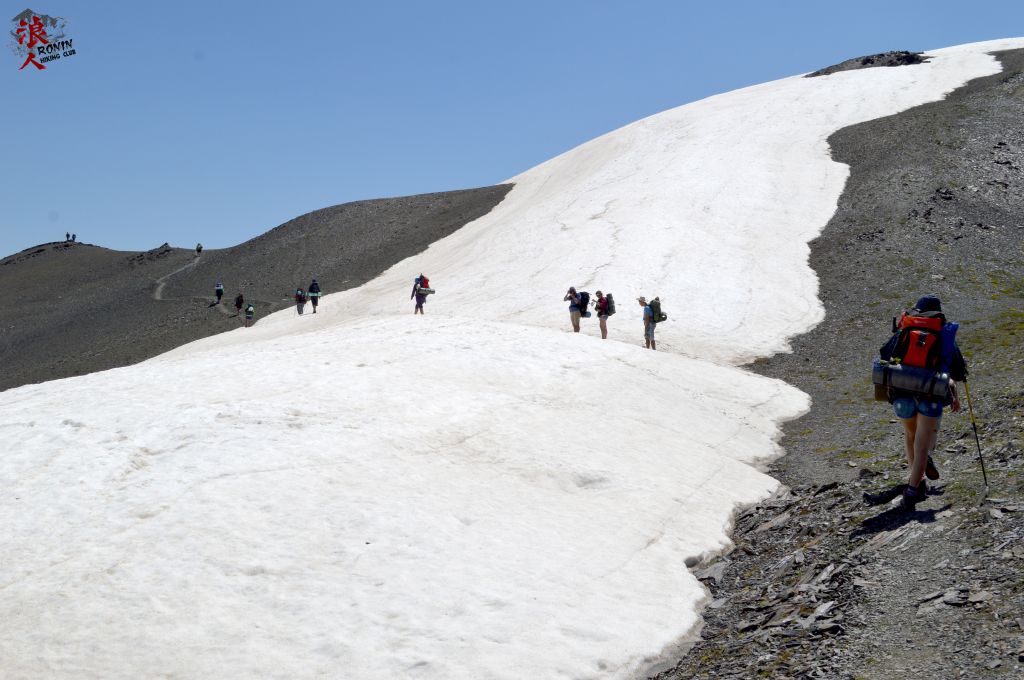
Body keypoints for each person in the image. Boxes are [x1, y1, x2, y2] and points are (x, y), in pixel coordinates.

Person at [880, 295, 967, 510]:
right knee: (922, 447)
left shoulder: (906, 329)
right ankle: (913, 490)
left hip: (903, 394)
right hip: (931, 395)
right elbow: (958, 370)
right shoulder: (943, 332)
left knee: (910, 436)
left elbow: (885, 353)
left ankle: (917, 484)